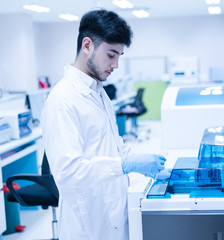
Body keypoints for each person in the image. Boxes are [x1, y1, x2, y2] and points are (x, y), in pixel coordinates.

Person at [41, 9, 166, 240]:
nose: (116, 64)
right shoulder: (62, 100)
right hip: (89, 225)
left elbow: (115, 148)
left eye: (119, 55)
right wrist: (126, 164)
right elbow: (69, 173)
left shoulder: (99, 93)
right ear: (87, 45)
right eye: (111, 55)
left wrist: (146, 171)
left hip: (115, 212)